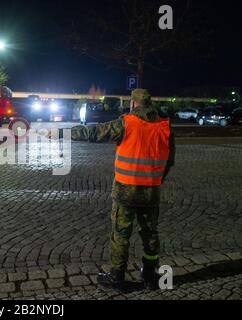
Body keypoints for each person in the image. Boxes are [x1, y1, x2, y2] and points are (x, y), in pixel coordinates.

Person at [57, 89, 175, 290]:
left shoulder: (126, 123)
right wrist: (156, 180)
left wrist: (62, 132)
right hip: (151, 191)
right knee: (150, 233)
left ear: (133, 104)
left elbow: (94, 132)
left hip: (125, 191)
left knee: (120, 233)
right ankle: (149, 275)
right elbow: (169, 161)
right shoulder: (165, 127)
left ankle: (117, 276)